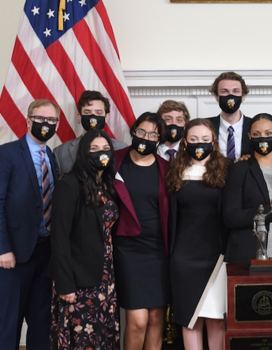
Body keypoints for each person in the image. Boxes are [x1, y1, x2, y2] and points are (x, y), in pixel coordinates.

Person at [0, 99, 60, 350]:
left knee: (41, 323)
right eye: (40, 119)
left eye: (51, 121)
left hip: (45, 252)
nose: (45, 124)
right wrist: (2, 249)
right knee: (11, 322)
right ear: (28, 121)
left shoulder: (51, 157)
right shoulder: (6, 154)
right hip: (14, 253)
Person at [49, 130, 119, 349]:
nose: (101, 154)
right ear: (83, 153)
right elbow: (59, 237)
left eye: (105, 149)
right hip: (77, 279)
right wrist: (65, 285)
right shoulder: (69, 184)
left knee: (101, 334)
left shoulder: (107, 185)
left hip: (104, 274)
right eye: (94, 149)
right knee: (81, 338)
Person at [167, 119, 231, 350]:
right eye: (193, 139)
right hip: (183, 259)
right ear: (184, 142)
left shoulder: (228, 170)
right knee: (190, 319)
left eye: (205, 140)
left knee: (216, 318)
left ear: (213, 143)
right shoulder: (175, 171)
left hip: (218, 258)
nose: (199, 144)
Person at [112, 112, 170, 350]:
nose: (146, 138)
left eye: (153, 134)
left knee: (156, 318)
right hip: (127, 248)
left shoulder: (167, 168)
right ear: (133, 132)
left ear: (159, 139)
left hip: (159, 250)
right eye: (142, 132)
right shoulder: (115, 161)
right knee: (138, 320)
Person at [223, 113, 272, 263]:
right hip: (249, 257)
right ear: (249, 136)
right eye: (256, 134)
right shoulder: (239, 170)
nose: (263, 138)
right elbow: (230, 217)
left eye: (268, 133)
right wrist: (270, 208)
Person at [55, 90, 129, 174]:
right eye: (87, 112)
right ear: (79, 116)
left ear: (106, 117)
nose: (93, 117)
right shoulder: (60, 153)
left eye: (98, 113)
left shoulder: (123, 149)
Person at [207, 71, 253, 161]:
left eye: (236, 91)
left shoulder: (254, 126)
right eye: (224, 91)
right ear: (216, 96)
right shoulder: (206, 126)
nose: (230, 95)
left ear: (242, 95)